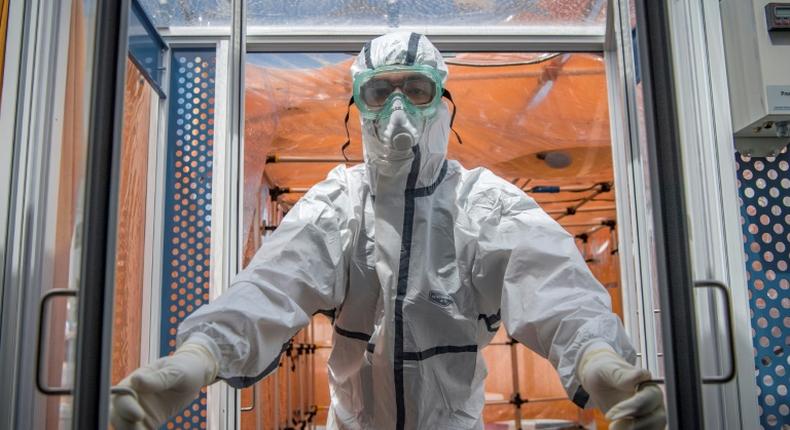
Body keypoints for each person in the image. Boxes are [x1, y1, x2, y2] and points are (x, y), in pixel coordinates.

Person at [111, 31, 666, 430]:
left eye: (416, 91)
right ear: (360, 105)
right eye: (380, 93)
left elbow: (554, 288)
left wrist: (597, 358)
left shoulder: (484, 203)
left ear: (442, 103)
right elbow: (271, 287)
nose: (398, 111)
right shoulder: (339, 203)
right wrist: (197, 359)